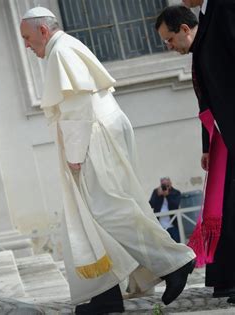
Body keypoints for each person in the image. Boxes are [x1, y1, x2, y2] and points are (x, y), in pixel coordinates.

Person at [20, 7, 195, 314]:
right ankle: (106, 294)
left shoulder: (60, 52)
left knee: (109, 211)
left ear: (43, 31)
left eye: (27, 37)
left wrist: (74, 156)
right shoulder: (66, 47)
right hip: (100, 130)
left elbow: (77, 108)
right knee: (101, 213)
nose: (26, 44)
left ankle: (174, 261)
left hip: (91, 137)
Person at [156, 3, 235, 302]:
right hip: (223, 136)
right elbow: (207, 100)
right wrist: (207, 145)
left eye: (170, 39)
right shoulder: (204, 23)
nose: (169, 46)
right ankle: (226, 280)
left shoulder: (223, 9)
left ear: (185, 30)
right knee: (222, 209)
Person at [149, 177, 182, 242]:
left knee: (177, 244)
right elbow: (151, 204)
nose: (165, 187)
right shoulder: (156, 192)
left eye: (167, 184)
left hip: (173, 225)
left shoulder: (176, 192)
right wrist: (157, 195)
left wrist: (168, 195)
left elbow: (175, 205)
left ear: (170, 183)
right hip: (160, 226)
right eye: (163, 185)